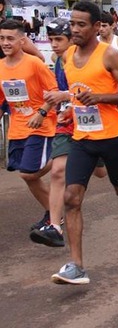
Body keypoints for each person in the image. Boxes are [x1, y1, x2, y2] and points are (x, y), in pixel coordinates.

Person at [50, 1, 118, 285]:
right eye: (72, 23)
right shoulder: (68, 56)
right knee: (71, 198)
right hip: (82, 139)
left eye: (81, 24)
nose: (74, 29)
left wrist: (98, 98)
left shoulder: (109, 56)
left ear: (97, 27)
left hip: (111, 137)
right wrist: (67, 103)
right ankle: (76, 266)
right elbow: (75, 92)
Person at [31, 18, 107, 247]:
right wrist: (50, 109)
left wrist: (67, 98)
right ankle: (54, 225)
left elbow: (101, 92)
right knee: (58, 171)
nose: (53, 44)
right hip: (67, 122)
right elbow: (58, 93)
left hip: (94, 122)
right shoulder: (57, 61)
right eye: (51, 39)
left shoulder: (87, 59)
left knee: (104, 174)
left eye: (58, 39)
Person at [0, 19, 57, 231]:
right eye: (2, 38)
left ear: (22, 41)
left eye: (10, 38)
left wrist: (41, 113)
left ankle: (65, 156)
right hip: (17, 128)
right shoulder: (0, 67)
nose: (5, 43)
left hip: (40, 126)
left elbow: (54, 92)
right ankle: (53, 212)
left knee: (28, 173)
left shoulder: (34, 64)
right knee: (25, 174)